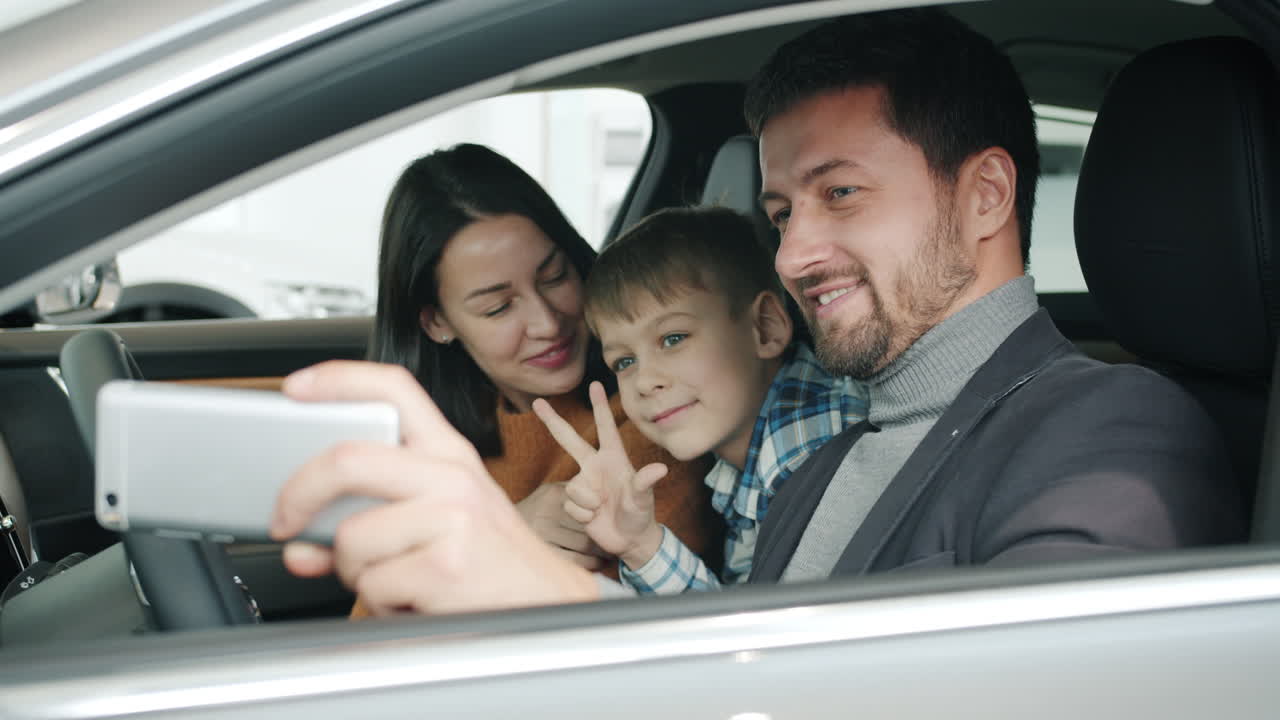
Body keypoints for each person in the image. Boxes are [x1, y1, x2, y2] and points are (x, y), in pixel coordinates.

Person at [270, 9, 1240, 616]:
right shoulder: (819, 454)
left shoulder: (1110, 426)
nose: (792, 253)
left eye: (841, 195)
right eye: (779, 212)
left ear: (984, 195)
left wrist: (539, 589)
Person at [346, 144, 718, 616]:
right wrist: (502, 534)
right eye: (498, 307)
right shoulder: (432, 443)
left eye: (554, 276)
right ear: (436, 323)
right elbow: (371, 628)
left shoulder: (652, 414)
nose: (546, 321)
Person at [532, 206, 867, 594]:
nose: (645, 381)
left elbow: (763, 641)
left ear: (765, 327)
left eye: (673, 339)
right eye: (624, 361)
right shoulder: (752, 456)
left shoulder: (802, 450)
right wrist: (640, 545)